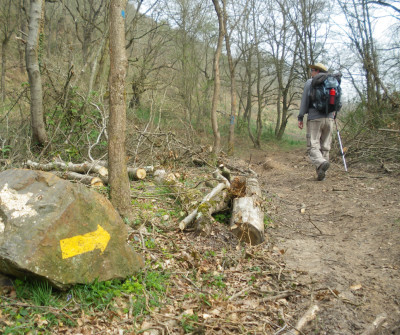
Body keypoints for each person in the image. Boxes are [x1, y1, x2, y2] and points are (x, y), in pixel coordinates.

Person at [298, 63, 335, 181]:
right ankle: (322, 174)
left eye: (312, 70)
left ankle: (321, 163)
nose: (311, 72)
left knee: (313, 146)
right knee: (325, 146)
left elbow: (305, 100)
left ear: (317, 71)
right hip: (330, 118)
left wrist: (300, 116)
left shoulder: (311, 82)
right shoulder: (333, 82)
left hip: (314, 118)